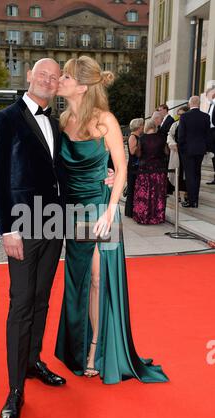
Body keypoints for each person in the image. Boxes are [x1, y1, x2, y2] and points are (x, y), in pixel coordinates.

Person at [0, 58, 114, 418]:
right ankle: (14, 391)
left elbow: (68, 166)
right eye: (41, 74)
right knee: (21, 304)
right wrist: (7, 229)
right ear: (29, 76)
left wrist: (103, 172)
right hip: (23, 226)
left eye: (54, 76)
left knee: (42, 299)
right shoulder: (5, 119)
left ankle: (33, 362)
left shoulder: (58, 124)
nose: (47, 80)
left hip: (54, 222)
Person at [55, 56, 169, 385]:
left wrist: (110, 210)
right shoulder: (63, 119)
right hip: (73, 210)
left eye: (66, 76)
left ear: (82, 85)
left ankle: (96, 350)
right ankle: (77, 347)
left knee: (96, 278)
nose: (60, 80)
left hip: (100, 209)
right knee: (77, 280)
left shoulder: (104, 119)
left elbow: (121, 169)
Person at [133, 119, 168, 224]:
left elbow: (138, 154)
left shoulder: (142, 139)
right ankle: (157, 216)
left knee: (145, 193)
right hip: (159, 169)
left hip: (145, 169)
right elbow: (166, 152)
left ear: (146, 127)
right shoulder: (161, 138)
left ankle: (143, 216)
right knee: (157, 193)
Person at [178, 96, 210, 208]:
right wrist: (205, 148)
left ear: (190, 104)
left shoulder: (184, 117)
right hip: (200, 150)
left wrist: (181, 149)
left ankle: (192, 201)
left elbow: (181, 136)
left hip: (188, 151)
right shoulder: (206, 116)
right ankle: (195, 200)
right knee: (197, 175)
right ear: (199, 103)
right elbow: (208, 135)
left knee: (190, 175)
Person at [167, 106, 189, 203]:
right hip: (176, 152)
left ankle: (185, 193)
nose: (180, 116)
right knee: (177, 173)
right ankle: (178, 193)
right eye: (178, 114)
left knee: (186, 173)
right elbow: (170, 135)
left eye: (182, 114)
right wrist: (172, 144)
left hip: (187, 153)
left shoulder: (190, 125)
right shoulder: (175, 124)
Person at [124, 118, 144, 218]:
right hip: (133, 166)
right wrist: (140, 145)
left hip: (136, 165)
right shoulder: (133, 137)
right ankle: (129, 212)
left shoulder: (137, 136)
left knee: (135, 188)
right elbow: (132, 152)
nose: (143, 127)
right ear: (139, 126)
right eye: (142, 125)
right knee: (131, 188)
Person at [205, 87, 215, 185]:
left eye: (207, 95)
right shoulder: (211, 105)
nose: (206, 98)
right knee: (213, 155)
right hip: (211, 132)